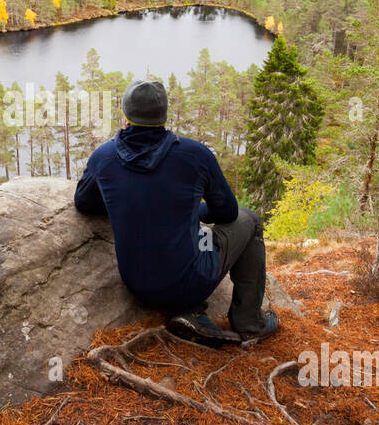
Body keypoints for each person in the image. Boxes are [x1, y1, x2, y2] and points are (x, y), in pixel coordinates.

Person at [74, 78, 279, 346]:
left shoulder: (104, 157)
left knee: (195, 236)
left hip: (137, 286)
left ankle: (192, 314)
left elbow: (83, 202)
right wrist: (193, 211)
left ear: (126, 113)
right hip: (188, 283)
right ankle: (249, 323)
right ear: (164, 113)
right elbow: (228, 213)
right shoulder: (195, 155)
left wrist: (126, 202)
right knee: (249, 219)